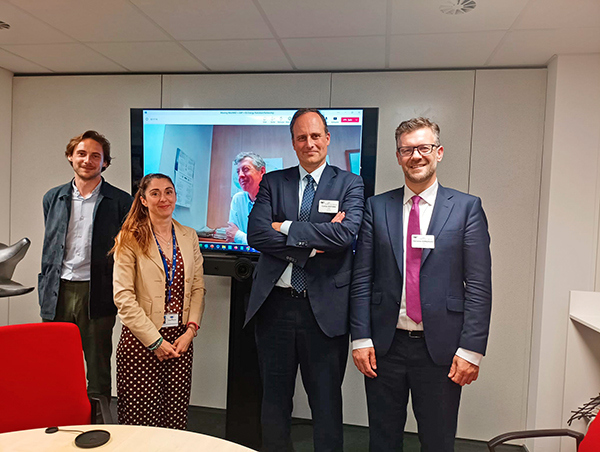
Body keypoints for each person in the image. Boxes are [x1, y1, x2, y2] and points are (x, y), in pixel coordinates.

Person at [350, 117, 492, 451]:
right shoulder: (376, 208)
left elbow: (479, 285)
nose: (416, 156)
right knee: (382, 440)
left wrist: (471, 350)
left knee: (438, 441)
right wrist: (360, 337)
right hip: (384, 347)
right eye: (407, 150)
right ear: (398, 157)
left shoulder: (466, 208)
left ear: (438, 152)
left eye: (424, 148)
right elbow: (362, 278)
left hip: (441, 349)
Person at [245, 109, 365, 452]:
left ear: (327, 138)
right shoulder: (273, 182)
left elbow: (344, 236)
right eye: (301, 137)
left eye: (315, 136)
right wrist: (312, 247)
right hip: (275, 308)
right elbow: (257, 234)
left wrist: (284, 227)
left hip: (324, 312)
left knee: (326, 404)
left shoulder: (350, 183)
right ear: (293, 142)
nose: (309, 143)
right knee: (274, 401)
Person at [39, 130, 132, 401]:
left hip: (97, 292)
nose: (87, 160)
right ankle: (60, 417)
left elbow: (127, 250)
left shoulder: (121, 201)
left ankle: (96, 422)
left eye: (95, 156)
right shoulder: (52, 198)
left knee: (98, 368)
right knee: (56, 364)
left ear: (105, 162)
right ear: (70, 156)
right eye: (81, 153)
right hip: (57, 291)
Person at [112, 173, 206, 429]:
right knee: (140, 421)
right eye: (155, 193)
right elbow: (123, 298)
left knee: (174, 419)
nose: (163, 198)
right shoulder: (129, 238)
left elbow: (198, 287)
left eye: (168, 192)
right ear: (143, 200)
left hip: (180, 342)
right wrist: (155, 342)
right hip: (142, 341)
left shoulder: (189, 236)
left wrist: (190, 331)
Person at [226, 152, 266, 244]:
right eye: (238, 172)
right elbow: (231, 236)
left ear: (262, 171)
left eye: (246, 169)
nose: (240, 175)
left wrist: (239, 236)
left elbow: (269, 243)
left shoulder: (275, 199)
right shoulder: (237, 200)